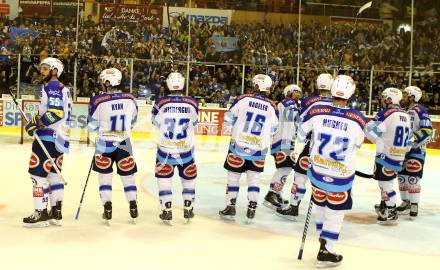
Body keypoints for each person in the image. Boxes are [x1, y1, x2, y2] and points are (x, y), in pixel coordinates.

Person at [299, 75, 366, 267]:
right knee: (335, 213)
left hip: (317, 172)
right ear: (351, 93)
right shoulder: (358, 118)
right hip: (340, 177)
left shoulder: (317, 111)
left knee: (321, 206)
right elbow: (359, 144)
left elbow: (301, 133)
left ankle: (323, 241)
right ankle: (326, 251)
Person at [219, 74, 279, 223]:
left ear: (255, 85)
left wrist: (233, 130)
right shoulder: (272, 106)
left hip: (238, 146)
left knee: (233, 177)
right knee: (254, 179)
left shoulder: (243, 99)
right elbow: (274, 129)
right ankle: (251, 208)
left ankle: (230, 206)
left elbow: (228, 119)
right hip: (258, 149)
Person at [276, 73, 333, 220]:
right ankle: (328, 211)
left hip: (313, 146)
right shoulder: (339, 103)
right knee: (326, 178)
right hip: (332, 149)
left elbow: (301, 121)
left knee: (300, 176)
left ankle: (294, 208)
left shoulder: (309, 101)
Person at [23, 57, 72, 227]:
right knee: (54, 176)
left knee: (37, 175)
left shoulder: (52, 86)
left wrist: (35, 124)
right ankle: (56, 212)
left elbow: (56, 112)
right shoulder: (63, 89)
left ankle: (40, 212)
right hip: (60, 139)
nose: (40, 71)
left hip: (48, 138)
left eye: (44, 68)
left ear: (54, 71)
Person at [88, 68, 139, 223]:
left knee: (104, 177)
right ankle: (133, 205)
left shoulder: (97, 100)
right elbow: (133, 121)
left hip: (104, 144)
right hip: (124, 143)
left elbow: (91, 126)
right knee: (128, 177)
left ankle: (107, 207)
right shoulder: (130, 98)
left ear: (107, 82)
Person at [152, 72, 199, 224]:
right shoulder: (192, 102)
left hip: (165, 151)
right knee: (188, 180)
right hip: (186, 151)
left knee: (164, 180)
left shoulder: (160, 102)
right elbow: (195, 123)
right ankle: (188, 208)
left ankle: (166, 210)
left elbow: (155, 122)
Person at [365, 88, 413, 225]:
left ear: (389, 99)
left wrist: (369, 128)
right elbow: (409, 143)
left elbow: (372, 133)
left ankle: (391, 210)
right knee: (388, 183)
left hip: (385, 155)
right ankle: (385, 207)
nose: (382, 100)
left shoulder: (386, 113)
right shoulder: (406, 115)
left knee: (385, 185)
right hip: (399, 156)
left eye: (384, 98)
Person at [263, 84, 301, 212]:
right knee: (286, 168)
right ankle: (272, 193)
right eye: (296, 91)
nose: (298, 94)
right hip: (283, 141)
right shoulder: (288, 102)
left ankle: (277, 194)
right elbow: (293, 117)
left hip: (283, 141)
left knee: (284, 168)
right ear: (288, 92)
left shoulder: (289, 103)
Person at [397, 86, 433, 218]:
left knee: (413, 178)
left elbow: (428, 130)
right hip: (401, 150)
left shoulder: (420, 110)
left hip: (417, 149)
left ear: (412, 97)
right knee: (401, 178)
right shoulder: (402, 111)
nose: (403, 97)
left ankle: (414, 204)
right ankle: (405, 201)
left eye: (406, 95)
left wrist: (412, 139)